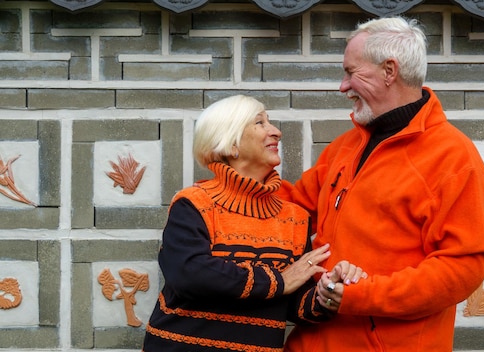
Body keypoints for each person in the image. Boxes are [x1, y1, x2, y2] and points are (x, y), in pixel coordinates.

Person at [279, 16, 484, 351]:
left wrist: (358, 296)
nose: (343, 86)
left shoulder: (453, 157)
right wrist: (221, 192)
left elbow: (462, 267)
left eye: (351, 72)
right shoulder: (344, 147)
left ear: (389, 71)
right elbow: (291, 207)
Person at [142, 95, 364, 352]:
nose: (276, 132)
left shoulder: (295, 218)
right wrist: (278, 281)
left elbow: (294, 302)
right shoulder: (194, 203)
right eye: (260, 122)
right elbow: (189, 274)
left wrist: (328, 290)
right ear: (231, 143)